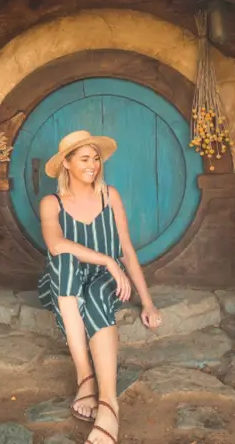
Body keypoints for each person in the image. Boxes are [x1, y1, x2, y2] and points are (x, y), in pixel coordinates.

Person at [38, 130, 162, 444]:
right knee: (64, 260)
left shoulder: (110, 196)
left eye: (95, 159)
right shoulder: (51, 203)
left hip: (104, 280)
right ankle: (85, 376)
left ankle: (108, 404)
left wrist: (147, 301)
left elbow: (127, 250)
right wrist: (106, 259)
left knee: (95, 297)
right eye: (84, 159)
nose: (93, 165)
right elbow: (55, 244)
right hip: (65, 281)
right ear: (66, 163)